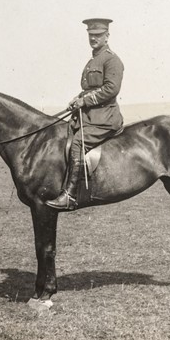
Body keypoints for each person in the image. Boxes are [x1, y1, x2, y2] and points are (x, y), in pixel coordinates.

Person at [45, 18, 124, 210]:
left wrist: (85, 101)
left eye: (98, 35)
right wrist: (77, 97)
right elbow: (91, 88)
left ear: (107, 36)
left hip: (105, 118)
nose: (94, 38)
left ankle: (70, 194)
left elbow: (111, 89)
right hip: (89, 116)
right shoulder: (93, 60)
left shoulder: (112, 60)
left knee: (78, 142)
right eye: (91, 35)